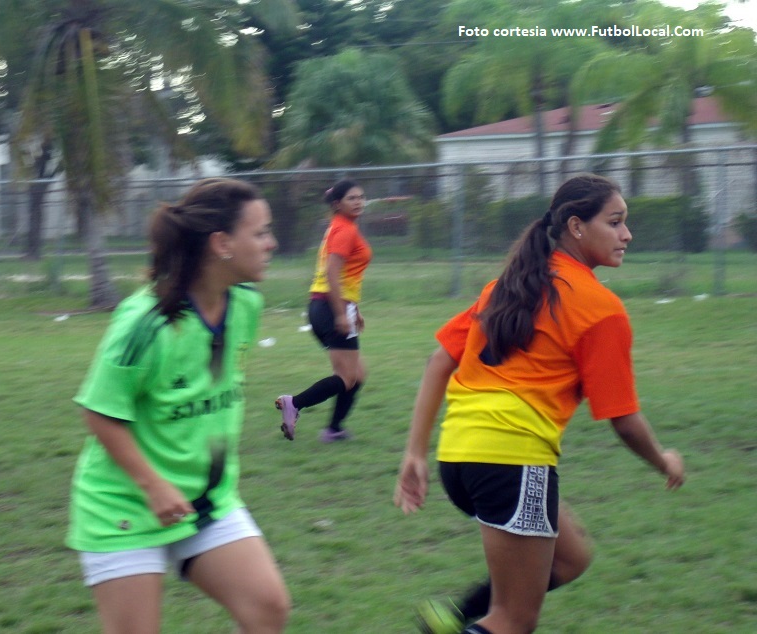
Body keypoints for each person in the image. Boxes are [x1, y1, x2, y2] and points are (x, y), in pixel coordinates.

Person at [394, 173, 685, 634]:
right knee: (514, 621)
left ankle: (453, 617)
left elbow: (438, 361)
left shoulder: (507, 286)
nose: (627, 234)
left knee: (571, 558)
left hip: (459, 459)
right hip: (512, 462)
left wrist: (414, 452)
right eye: (615, 222)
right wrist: (664, 460)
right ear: (575, 226)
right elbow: (624, 421)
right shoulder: (599, 308)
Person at [66, 178, 290, 634]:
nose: (272, 243)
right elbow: (100, 412)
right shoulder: (147, 322)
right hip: (124, 506)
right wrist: (153, 486)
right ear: (222, 244)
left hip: (206, 503)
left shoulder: (245, 304)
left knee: (268, 609)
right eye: (261, 232)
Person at [275, 179, 373, 443]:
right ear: (337, 204)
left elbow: (344, 275)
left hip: (328, 306)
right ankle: (294, 403)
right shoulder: (345, 230)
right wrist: (341, 313)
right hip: (331, 308)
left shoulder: (342, 227)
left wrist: (354, 309)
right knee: (347, 377)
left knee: (357, 374)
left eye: (361, 197)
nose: (359, 202)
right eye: (352, 198)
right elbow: (332, 271)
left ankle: (334, 428)